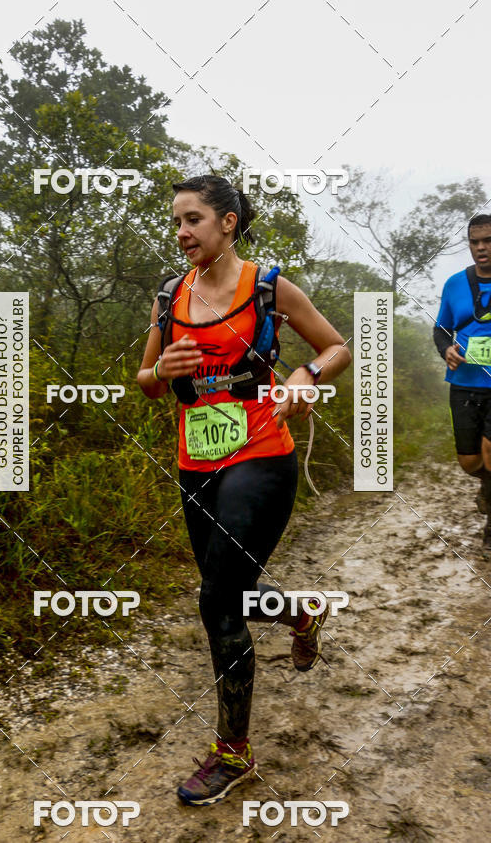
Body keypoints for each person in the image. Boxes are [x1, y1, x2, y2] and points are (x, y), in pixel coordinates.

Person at [137, 175, 351, 806]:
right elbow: (146, 381)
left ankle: (233, 752)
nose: (182, 231)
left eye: (194, 219)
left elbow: (336, 345)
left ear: (228, 223)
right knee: (226, 589)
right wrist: (162, 371)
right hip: (195, 459)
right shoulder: (169, 294)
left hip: (261, 452)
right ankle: (298, 611)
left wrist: (305, 376)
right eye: (177, 220)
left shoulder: (268, 287)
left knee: (217, 600)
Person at [434, 214, 491, 556]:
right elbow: (441, 329)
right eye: (475, 241)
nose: (482, 248)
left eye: (488, 240)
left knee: (490, 450)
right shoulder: (455, 284)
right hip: (465, 382)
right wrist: (447, 351)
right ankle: (487, 488)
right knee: (470, 461)